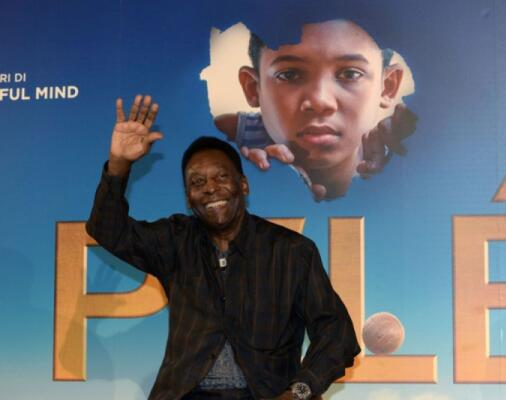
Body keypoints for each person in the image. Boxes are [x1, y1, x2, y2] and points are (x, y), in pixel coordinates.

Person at [86, 95, 361, 400]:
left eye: (221, 177)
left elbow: (337, 334)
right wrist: (119, 165)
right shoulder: (175, 240)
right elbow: (107, 229)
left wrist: (298, 393)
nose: (210, 188)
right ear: (189, 197)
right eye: (197, 182)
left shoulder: (291, 252)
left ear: (243, 185)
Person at [213, 19, 417, 200]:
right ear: (253, 88)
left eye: (350, 74)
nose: (320, 101)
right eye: (290, 75)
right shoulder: (230, 141)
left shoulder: (405, 154)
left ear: (387, 86)